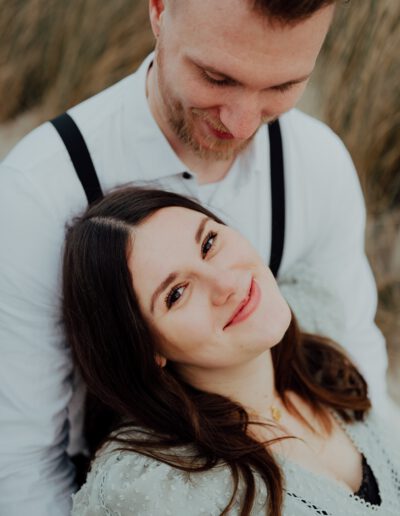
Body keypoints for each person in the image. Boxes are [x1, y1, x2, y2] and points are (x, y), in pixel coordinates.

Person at [0, 1, 395, 515]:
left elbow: (355, 342)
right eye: (216, 77)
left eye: (282, 87)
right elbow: (23, 465)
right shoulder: (35, 198)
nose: (242, 122)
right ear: (160, 10)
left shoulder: (316, 163)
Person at [65, 187, 400, 516]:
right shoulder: (158, 488)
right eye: (177, 293)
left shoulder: (316, 322)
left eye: (209, 243)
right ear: (145, 348)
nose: (226, 284)